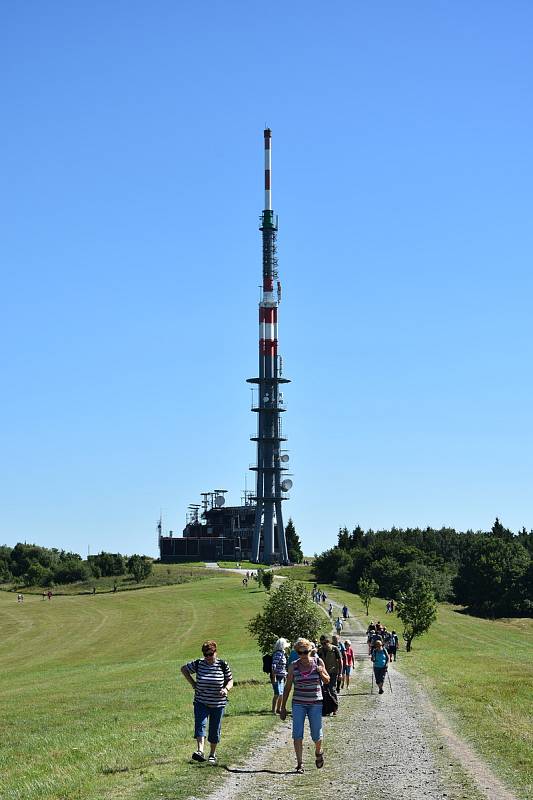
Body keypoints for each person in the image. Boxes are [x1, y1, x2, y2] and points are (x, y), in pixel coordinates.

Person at [280, 637, 329, 773]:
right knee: (297, 734)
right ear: (297, 652)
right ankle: (300, 764)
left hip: (315, 702)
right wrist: (282, 706)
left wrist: (320, 672)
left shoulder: (318, 662)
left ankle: (319, 751)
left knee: (316, 733)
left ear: (310, 650)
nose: (303, 655)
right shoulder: (293, 666)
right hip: (298, 703)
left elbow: (327, 680)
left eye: (305, 652)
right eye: (300, 653)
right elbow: (288, 686)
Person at [181, 640, 233, 765]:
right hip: (201, 701)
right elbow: (184, 669)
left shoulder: (222, 664)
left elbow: (230, 680)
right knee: (200, 724)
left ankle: (212, 754)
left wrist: (226, 689)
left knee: (215, 729)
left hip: (218, 703)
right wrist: (193, 684)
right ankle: (200, 751)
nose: (208, 657)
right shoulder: (199, 663)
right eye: (206, 654)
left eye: (210, 654)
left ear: (216, 652)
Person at [318, 635, 342, 713]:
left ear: (328, 641)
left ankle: (335, 707)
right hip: (324, 673)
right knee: (324, 690)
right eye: (322, 643)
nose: (324, 645)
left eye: (325, 643)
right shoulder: (320, 650)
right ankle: (327, 708)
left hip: (333, 672)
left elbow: (340, 661)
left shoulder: (334, 649)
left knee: (332, 689)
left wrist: (340, 673)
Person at [271, 638, 289, 713]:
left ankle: (278, 709)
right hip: (277, 676)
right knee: (277, 693)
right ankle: (273, 710)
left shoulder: (282, 653)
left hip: (282, 676)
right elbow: (273, 665)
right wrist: (274, 677)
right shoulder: (278, 654)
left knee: (281, 693)